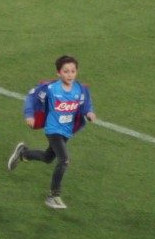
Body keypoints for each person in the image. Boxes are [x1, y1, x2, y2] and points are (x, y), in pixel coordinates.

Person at [7, 55, 96, 209]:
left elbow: (86, 104)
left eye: (73, 71)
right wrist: (29, 114)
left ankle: (23, 153)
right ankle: (53, 196)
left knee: (48, 157)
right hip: (53, 129)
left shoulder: (80, 90)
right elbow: (32, 97)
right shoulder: (51, 89)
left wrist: (89, 112)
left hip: (66, 131)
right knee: (64, 160)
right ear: (58, 73)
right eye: (66, 71)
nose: (70, 74)